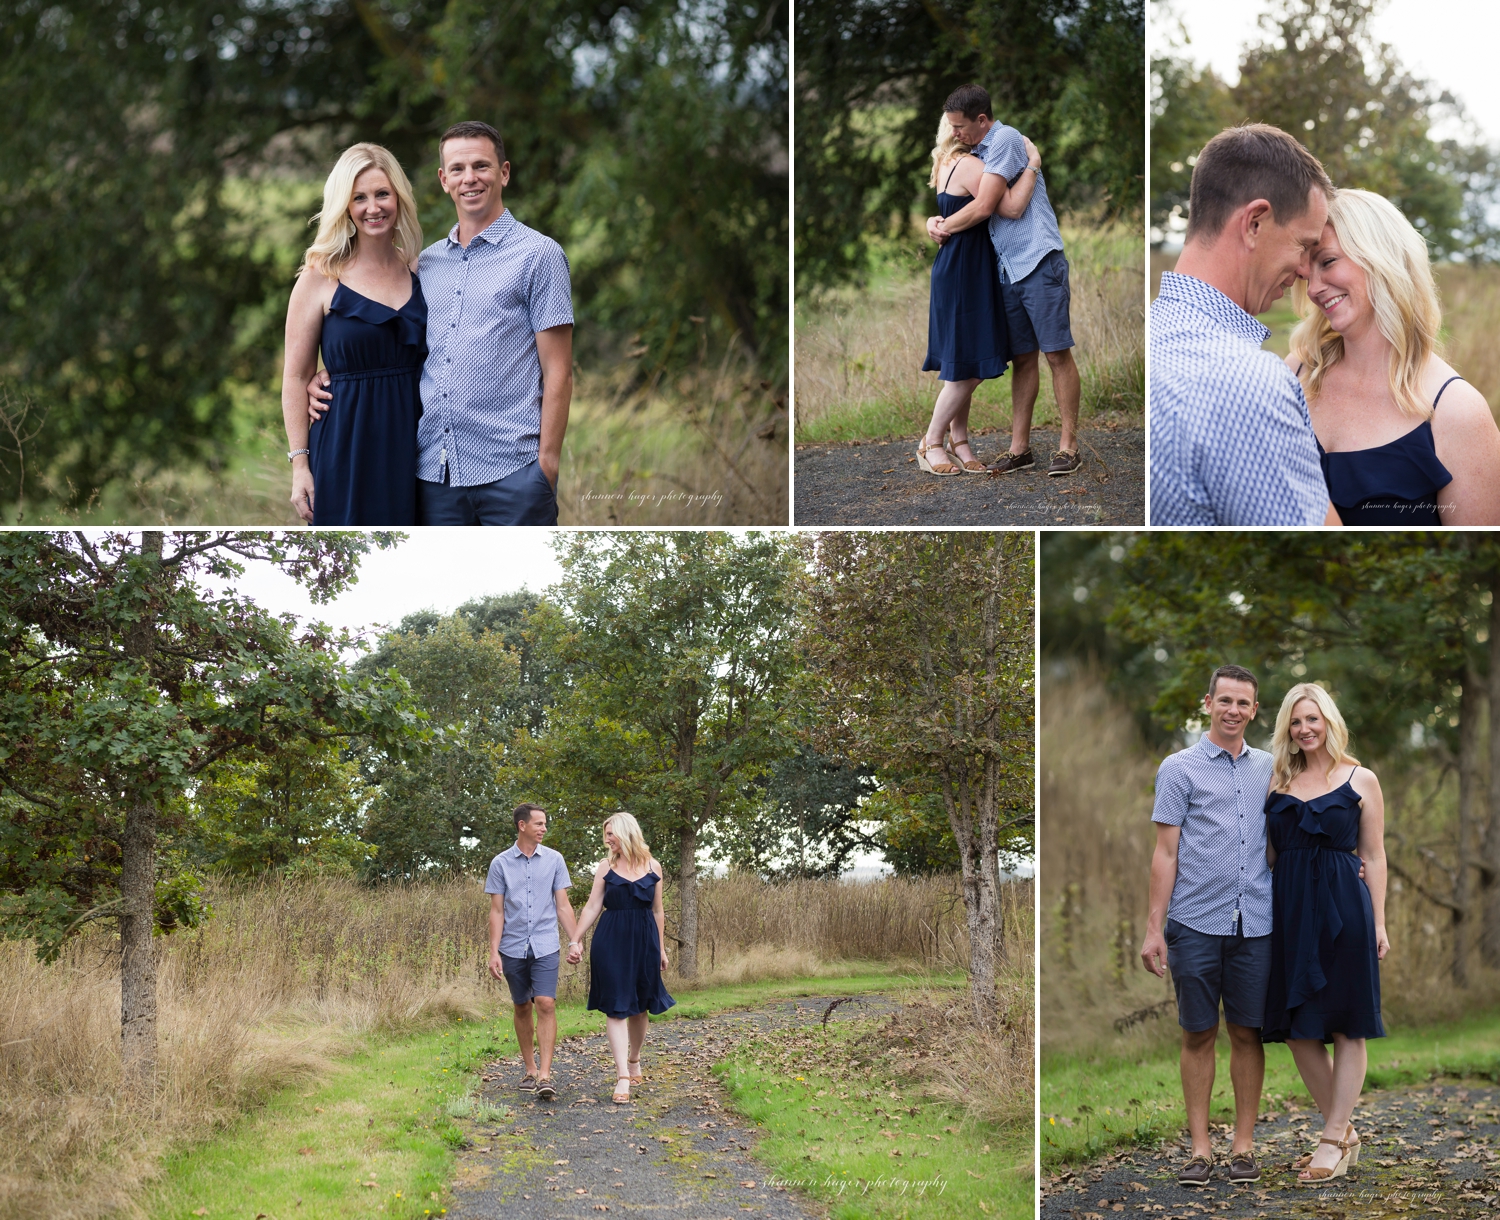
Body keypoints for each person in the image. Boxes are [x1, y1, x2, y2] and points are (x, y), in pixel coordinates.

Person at [310, 120, 574, 525]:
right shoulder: (427, 265)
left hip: (513, 472)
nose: (470, 178)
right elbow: (397, 334)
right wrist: (337, 373)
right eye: (458, 169)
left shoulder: (539, 256)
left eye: (481, 166)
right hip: (435, 476)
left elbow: (559, 371)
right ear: (443, 179)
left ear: (503, 172)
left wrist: (546, 466)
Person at [1150, 124, 1340, 526]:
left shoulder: (1152, 331)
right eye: (1304, 246)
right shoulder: (1248, 382)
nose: (1306, 272)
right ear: (1255, 223)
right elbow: (1309, 565)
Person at [1288, 189, 1500, 525]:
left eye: (1327, 262)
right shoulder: (1295, 373)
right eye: (1305, 274)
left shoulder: (1458, 412)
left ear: (1380, 257)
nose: (1313, 289)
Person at [1140, 664, 1273, 1187]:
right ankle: (1200, 1150)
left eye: (1243, 703)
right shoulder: (1179, 767)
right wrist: (1154, 929)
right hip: (1194, 921)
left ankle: (1243, 1147)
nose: (1233, 711)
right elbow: (1164, 852)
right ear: (1207, 703)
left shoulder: (1270, 767)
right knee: (1199, 1033)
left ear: (1255, 710)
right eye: (1225, 701)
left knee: (1247, 1032)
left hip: (1257, 921)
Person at [1263, 684, 1388, 1184]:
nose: (1305, 728)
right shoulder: (1278, 780)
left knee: (1347, 1024)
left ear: (1329, 722)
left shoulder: (1362, 779)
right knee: (1298, 1030)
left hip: (1345, 906)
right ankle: (1347, 1133)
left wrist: (1379, 921)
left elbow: (1375, 856)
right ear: (1287, 731)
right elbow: (1269, 855)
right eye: (1296, 722)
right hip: (1290, 908)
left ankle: (1333, 1137)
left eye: (1313, 718)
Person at [927, 83, 1082, 477]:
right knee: (1024, 359)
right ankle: (1020, 450)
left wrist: (943, 227)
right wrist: (934, 221)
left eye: (960, 127)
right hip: (1006, 268)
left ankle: (1069, 447)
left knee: (1056, 352)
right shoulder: (975, 152)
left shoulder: (1007, 140)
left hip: (1037, 259)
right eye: (951, 127)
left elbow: (996, 209)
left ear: (982, 120)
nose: (954, 134)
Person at [281, 143, 426, 525]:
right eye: (358, 197)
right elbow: (295, 377)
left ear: (399, 197)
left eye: (382, 194)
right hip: (346, 443)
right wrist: (300, 466)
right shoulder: (319, 278)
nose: (372, 207)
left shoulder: (423, 271)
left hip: (417, 442)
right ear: (344, 206)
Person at [916, 115, 1040, 475]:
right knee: (971, 365)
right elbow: (1007, 207)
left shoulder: (946, 163)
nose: (967, 133)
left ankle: (961, 442)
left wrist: (933, 222)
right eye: (958, 127)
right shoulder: (971, 165)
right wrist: (1033, 164)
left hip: (960, 265)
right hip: (966, 268)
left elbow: (948, 211)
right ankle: (931, 442)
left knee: (962, 361)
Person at [567, 811, 675, 1104]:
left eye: (610, 834)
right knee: (616, 1008)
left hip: (645, 940)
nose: (606, 840)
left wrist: (662, 948)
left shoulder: (654, 865)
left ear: (626, 832)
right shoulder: (605, 867)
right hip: (611, 939)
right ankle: (622, 1078)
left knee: (641, 1007)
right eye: (605, 835)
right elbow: (592, 907)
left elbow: (657, 911)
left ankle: (635, 1058)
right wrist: (575, 939)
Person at [486, 803, 581, 1102]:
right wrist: (493, 952)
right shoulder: (500, 864)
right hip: (512, 946)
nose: (544, 828)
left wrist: (574, 940)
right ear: (522, 826)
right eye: (538, 823)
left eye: (545, 824)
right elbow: (496, 911)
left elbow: (563, 905)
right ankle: (529, 1069)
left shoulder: (554, 860)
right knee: (522, 1006)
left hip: (545, 944)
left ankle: (545, 1075)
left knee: (546, 1003)